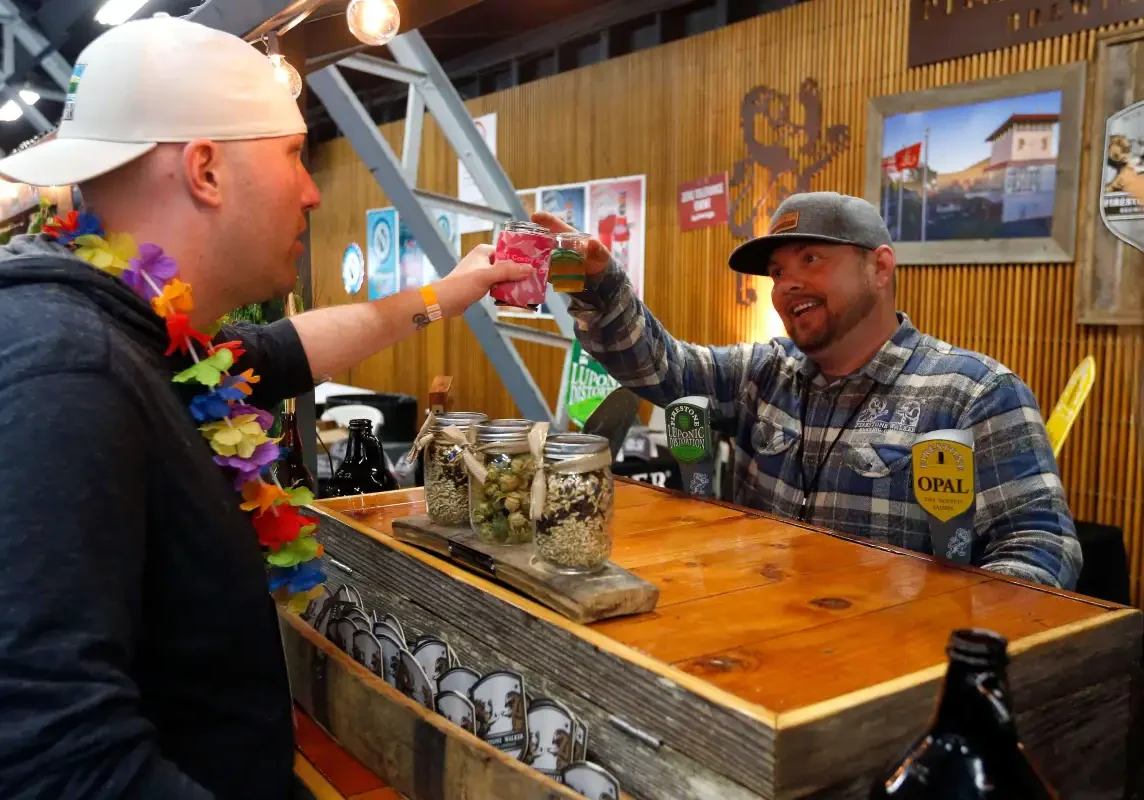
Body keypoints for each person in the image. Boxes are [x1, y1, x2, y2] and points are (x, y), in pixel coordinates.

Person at [0, 16, 531, 800]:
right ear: (206, 171)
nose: (314, 192)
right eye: (293, 156)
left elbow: (288, 349)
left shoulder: (154, 338)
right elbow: (54, 759)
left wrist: (447, 295)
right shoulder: (73, 370)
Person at [533, 191, 1082, 590]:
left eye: (811, 260)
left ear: (880, 267)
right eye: (776, 272)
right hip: (762, 651)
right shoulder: (763, 373)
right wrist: (596, 284)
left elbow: (1039, 545)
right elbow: (660, 368)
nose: (787, 284)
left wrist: (952, 643)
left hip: (890, 674)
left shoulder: (975, 393)